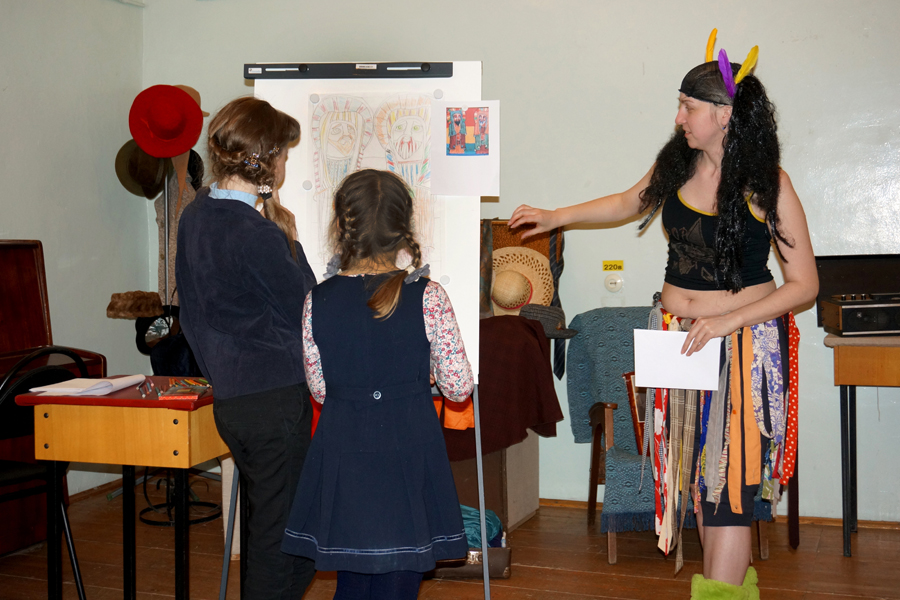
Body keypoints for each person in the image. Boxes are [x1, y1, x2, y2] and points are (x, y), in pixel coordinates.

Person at [509, 31, 818, 600]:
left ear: (725, 114)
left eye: (688, 106)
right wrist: (556, 215)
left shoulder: (768, 185)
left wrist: (727, 322)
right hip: (677, 339)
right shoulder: (677, 165)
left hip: (740, 345)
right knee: (699, 478)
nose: (679, 117)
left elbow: (805, 285)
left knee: (728, 485)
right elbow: (627, 202)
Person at [282, 168, 473, 600]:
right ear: (403, 229)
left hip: (345, 448)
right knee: (401, 575)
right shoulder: (429, 296)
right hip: (408, 448)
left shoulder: (317, 299)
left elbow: (320, 389)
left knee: (352, 576)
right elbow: (459, 387)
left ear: (341, 226)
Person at [176, 96, 317, 599]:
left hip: (234, 401)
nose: (285, 165)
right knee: (282, 540)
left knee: (269, 527)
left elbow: (194, 313)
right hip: (274, 401)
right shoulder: (256, 233)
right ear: (267, 161)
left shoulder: (196, 216)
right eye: (284, 155)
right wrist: (290, 241)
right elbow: (309, 310)